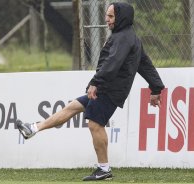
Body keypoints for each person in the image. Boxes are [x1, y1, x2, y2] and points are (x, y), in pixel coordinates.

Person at [17, 2, 165, 181]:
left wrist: (95, 82)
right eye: (107, 15)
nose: (106, 19)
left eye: (111, 16)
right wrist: (156, 88)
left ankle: (104, 169)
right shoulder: (127, 37)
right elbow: (145, 64)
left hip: (109, 90)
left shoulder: (123, 38)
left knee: (95, 124)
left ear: (122, 18)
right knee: (72, 107)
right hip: (106, 87)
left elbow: (112, 64)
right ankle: (32, 129)